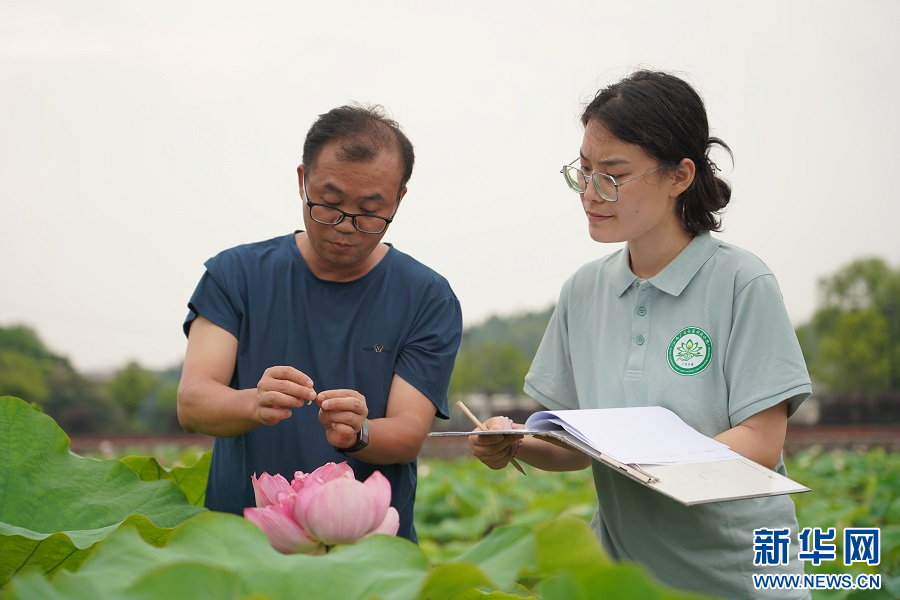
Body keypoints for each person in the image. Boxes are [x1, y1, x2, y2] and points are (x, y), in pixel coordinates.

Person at [469, 70, 812, 599]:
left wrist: (648, 460)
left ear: (679, 176)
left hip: (737, 578)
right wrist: (514, 440)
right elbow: (572, 448)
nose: (590, 192)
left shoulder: (743, 282)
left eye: (612, 174)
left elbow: (762, 445)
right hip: (624, 580)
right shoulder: (583, 291)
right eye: (582, 172)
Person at [177, 104, 463, 543]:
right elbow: (194, 402)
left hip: (366, 558)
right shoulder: (234, 276)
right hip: (243, 551)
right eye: (329, 204)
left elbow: (408, 434)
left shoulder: (427, 297)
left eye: (370, 211)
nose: (346, 227)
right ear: (301, 180)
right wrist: (253, 403)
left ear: (399, 199)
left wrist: (359, 433)